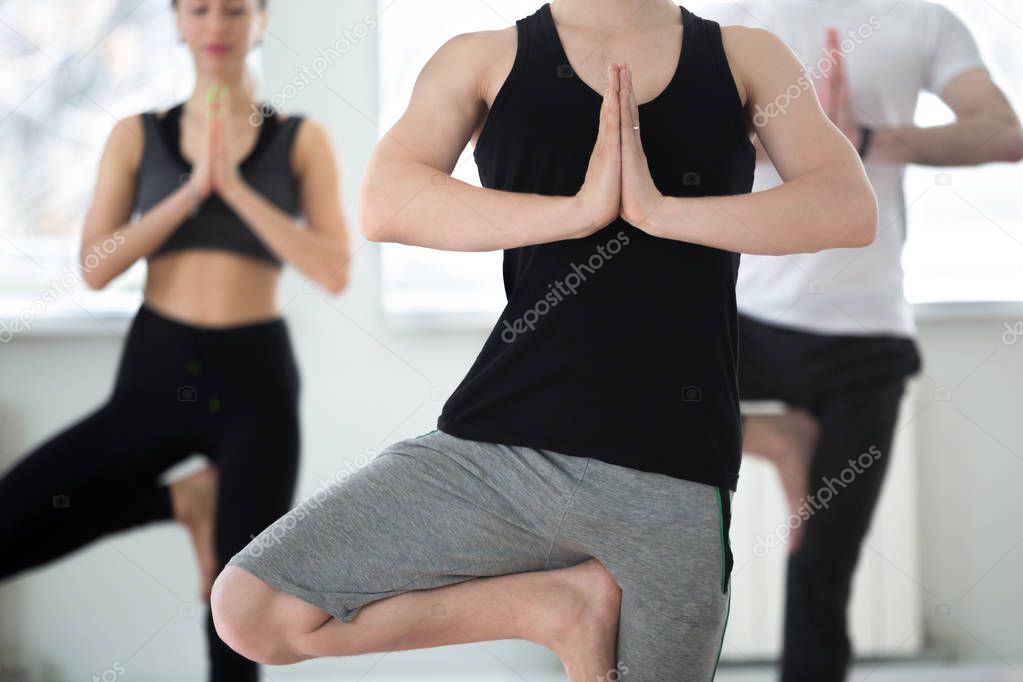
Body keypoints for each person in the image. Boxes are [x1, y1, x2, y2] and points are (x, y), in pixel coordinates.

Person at [209, 1, 877, 679]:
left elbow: (846, 207)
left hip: (669, 471)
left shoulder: (744, 56)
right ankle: (551, 609)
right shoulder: (481, 58)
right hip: (499, 448)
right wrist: (578, 211)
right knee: (252, 608)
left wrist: (658, 212)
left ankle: (564, 609)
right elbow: (387, 201)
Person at [0, 0, 352, 680]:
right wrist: (190, 192)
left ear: (260, 20)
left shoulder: (299, 139)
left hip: (257, 383)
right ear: (177, 22)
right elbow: (95, 268)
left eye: (234, 10)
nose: (216, 25)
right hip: (158, 372)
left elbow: (333, 270)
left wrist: (236, 190)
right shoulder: (139, 135)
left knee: (237, 620)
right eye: (199, 9)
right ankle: (179, 500)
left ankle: (194, 508)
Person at [700, 1, 1023, 679]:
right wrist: (745, 142)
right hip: (746, 323)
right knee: (610, 395)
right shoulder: (736, 17)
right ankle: (778, 440)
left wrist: (862, 139)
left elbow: (1001, 132)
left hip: (865, 340)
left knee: (822, 569)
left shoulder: (924, 21)